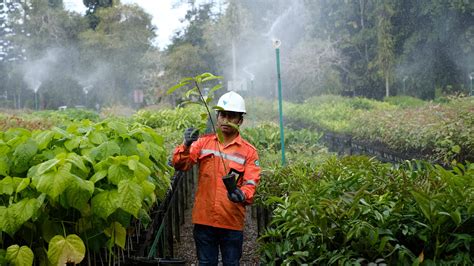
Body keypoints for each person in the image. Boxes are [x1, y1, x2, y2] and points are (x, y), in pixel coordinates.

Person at [172, 91, 261, 265]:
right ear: (217, 117)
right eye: (223, 115)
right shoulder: (203, 143)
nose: (226, 119)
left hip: (231, 221)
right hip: (204, 220)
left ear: (240, 121)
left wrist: (242, 194)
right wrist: (186, 144)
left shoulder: (249, 152)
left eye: (232, 116)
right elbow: (181, 165)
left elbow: (251, 183)